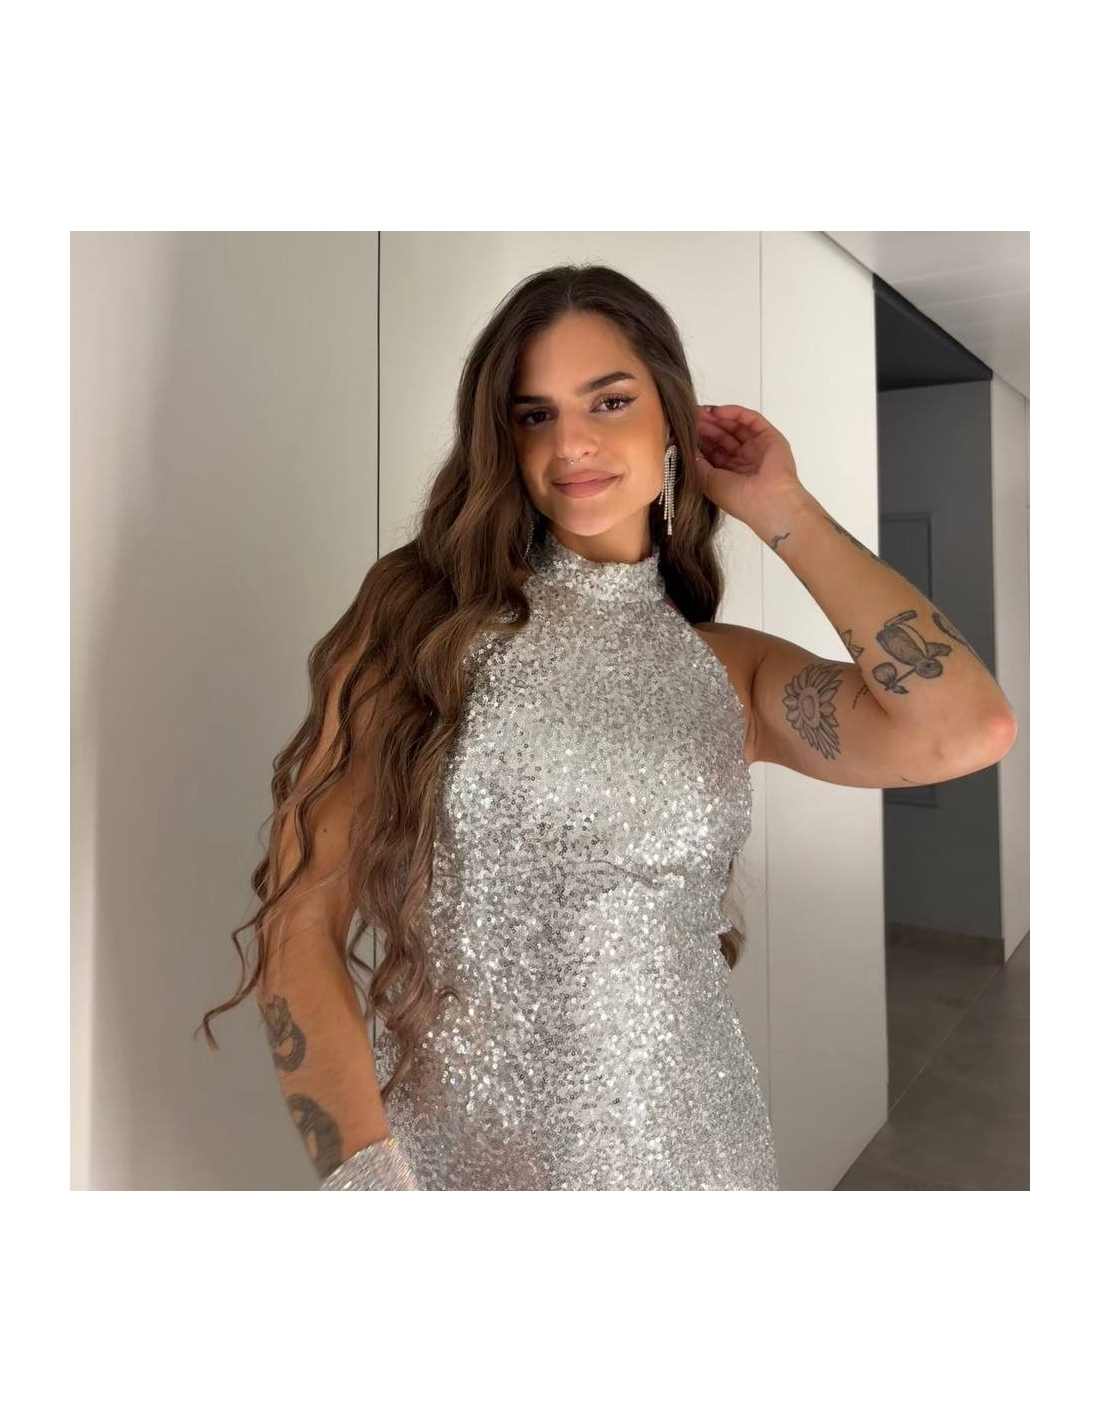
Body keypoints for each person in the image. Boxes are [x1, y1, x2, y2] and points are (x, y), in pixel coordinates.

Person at [198, 263, 1017, 1190]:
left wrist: (781, 505)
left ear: (672, 418)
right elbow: (298, 925)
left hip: (704, 1164)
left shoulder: (728, 674)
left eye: (611, 401)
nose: (571, 443)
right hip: (455, 1176)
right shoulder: (418, 635)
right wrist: (373, 1191)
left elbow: (965, 729)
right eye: (534, 414)